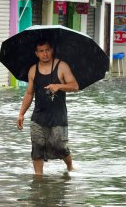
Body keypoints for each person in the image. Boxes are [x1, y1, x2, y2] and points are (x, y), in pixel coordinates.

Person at [17, 39, 79, 176]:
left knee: (60, 146)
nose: (45, 54)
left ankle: (70, 166)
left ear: (51, 50)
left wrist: (59, 86)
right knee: (37, 147)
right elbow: (29, 93)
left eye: (47, 50)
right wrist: (21, 113)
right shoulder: (33, 70)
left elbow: (75, 86)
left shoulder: (62, 66)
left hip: (58, 115)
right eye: (41, 51)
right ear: (36, 53)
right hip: (39, 115)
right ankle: (38, 178)